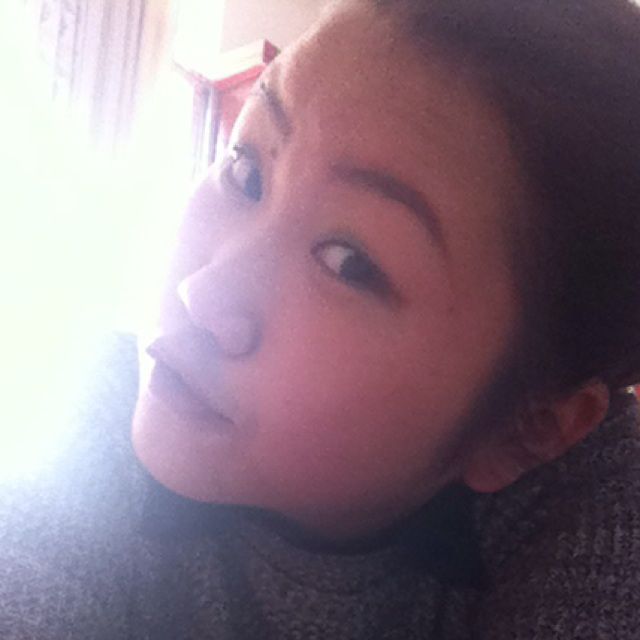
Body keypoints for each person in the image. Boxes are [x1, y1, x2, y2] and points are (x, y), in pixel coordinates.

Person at [2, 0, 640, 637]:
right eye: (247, 172)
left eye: (349, 263)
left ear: (520, 431)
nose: (203, 292)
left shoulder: (585, 498)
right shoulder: (82, 423)